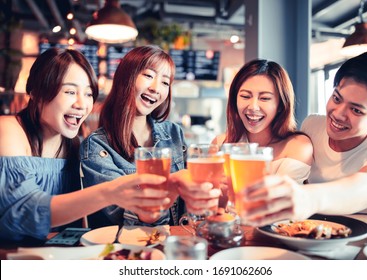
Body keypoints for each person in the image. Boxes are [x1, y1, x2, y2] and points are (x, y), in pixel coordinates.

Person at [0, 48, 170, 242]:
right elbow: (24, 211)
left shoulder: (72, 144)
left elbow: (73, 222)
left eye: (89, 94)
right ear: (36, 92)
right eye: (70, 91)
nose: (82, 104)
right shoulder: (8, 130)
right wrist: (109, 192)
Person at [240, 51, 367, 226]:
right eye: (336, 98)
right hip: (314, 234)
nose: (338, 114)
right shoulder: (312, 125)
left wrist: (307, 197)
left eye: (356, 110)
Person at [80, 45, 220, 228]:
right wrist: (170, 189)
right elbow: (120, 216)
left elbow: (188, 209)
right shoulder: (97, 146)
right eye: (148, 75)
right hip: (121, 250)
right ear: (126, 77)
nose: (156, 88)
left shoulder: (174, 133)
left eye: (165, 82)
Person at [213, 59, 313, 183]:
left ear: (281, 105)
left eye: (265, 98)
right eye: (245, 96)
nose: (253, 107)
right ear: (234, 100)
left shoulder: (298, 146)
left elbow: (278, 198)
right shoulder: (220, 143)